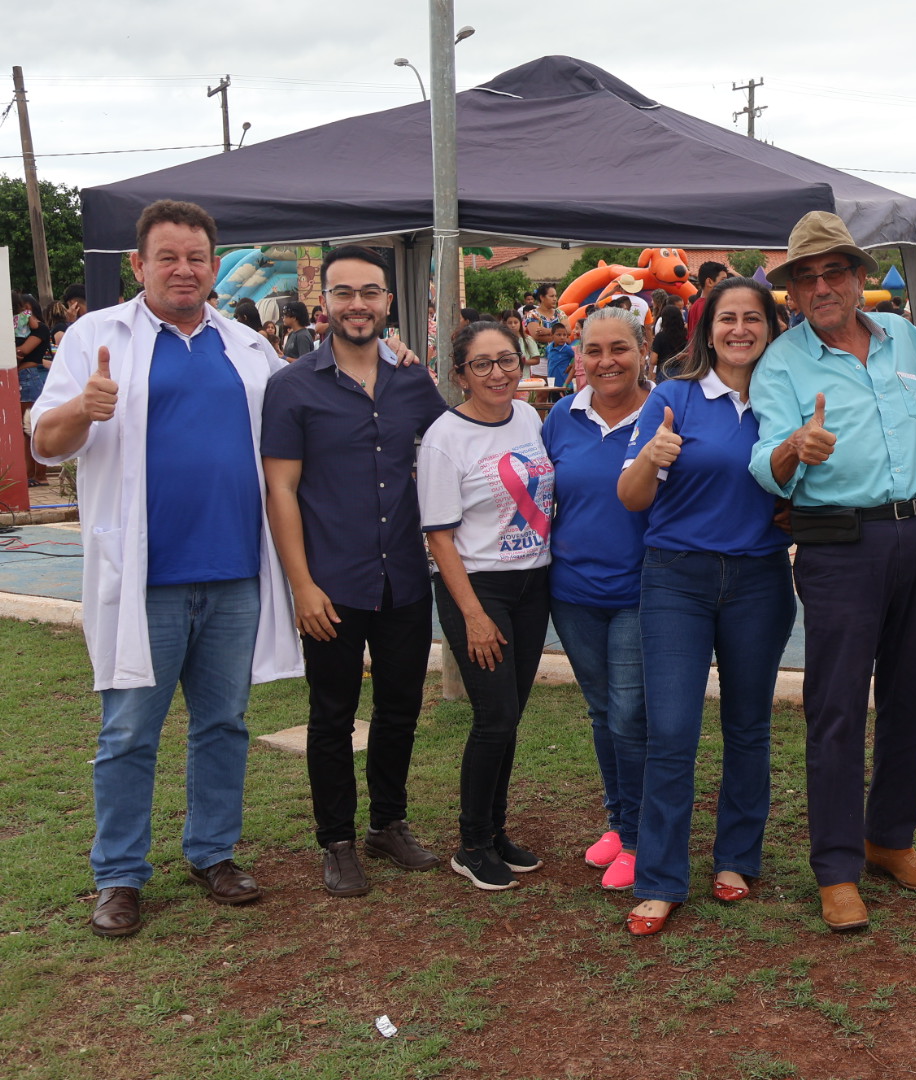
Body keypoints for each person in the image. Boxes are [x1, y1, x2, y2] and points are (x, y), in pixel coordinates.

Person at [32, 199, 302, 937]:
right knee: (128, 732)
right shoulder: (97, 335)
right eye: (167, 258)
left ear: (214, 266)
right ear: (138, 265)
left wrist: (389, 362)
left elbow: (306, 407)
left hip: (235, 572)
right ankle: (119, 874)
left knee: (224, 723)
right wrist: (84, 409)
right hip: (143, 578)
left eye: (196, 258)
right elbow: (44, 442)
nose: (183, 270)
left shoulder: (247, 345)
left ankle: (212, 852)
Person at [749, 211, 916, 932]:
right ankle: (836, 868)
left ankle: (890, 840)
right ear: (793, 295)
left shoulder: (906, 339)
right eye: (805, 278)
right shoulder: (782, 363)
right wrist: (794, 449)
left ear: (860, 277)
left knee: (909, 695)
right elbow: (764, 459)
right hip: (841, 547)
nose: (821, 286)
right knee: (835, 708)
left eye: (834, 271)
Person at [261, 246, 448, 897]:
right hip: (331, 585)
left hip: (403, 580)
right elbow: (279, 490)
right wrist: (302, 584)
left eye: (370, 292)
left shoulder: (412, 383)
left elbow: (451, 450)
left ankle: (387, 825)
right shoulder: (291, 387)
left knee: (399, 710)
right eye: (345, 293)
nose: (358, 304)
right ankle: (336, 840)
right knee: (332, 714)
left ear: (389, 303)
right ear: (325, 304)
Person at [618, 278, 796, 935]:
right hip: (676, 581)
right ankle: (661, 878)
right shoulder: (674, 398)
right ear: (706, 327)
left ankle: (736, 858)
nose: (741, 329)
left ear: (772, 329)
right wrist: (652, 457)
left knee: (749, 725)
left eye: (754, 318)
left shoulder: (787, 402)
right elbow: (631, 496)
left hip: (760, 579)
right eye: (728, 318)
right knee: (671, 731)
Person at [418, 321, 554, 892]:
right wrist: (472, 614)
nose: (498, 373)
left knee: (512, 715)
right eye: (482, 364)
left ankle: (496, 832)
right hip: (480, 587)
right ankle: (472, 843)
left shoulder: (528, 418)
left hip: (533, 584)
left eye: (507, 360)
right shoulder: (444, 438)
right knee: (494, 716)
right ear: (459, 375)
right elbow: (439, 536)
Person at [541, 306, 654, 891]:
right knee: (602, 710)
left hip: (640, 591)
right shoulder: (562, 416)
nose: (606, 361)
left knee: (632, 713)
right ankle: (617, 819)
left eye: (619, 349)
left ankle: (638, 837)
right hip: (574, 592)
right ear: (578, 355)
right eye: (593, 350)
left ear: (643, 351)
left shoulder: (664, 414)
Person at [14, 290, 50, 486]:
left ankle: (37, 474)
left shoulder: (40, 330)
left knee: (30, 429)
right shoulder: (22, 330)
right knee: (26, 429)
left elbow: (24, 350)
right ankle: (33, 474)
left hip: (28, 377)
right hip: (24, 377)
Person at [650, 305, 687, 378]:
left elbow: (653, 360)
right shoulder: (686, 334)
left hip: (664, 372)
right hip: (683, 371)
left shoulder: (660, 336)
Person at [546, 322, 575, 388]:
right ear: (552, 335)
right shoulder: (549, 348)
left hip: (565, 384)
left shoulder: (568, 349)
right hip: (552, 383)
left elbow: (578, 357)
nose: (562, 337)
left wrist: (571, 366)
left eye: (564, 335)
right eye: (559, 335)